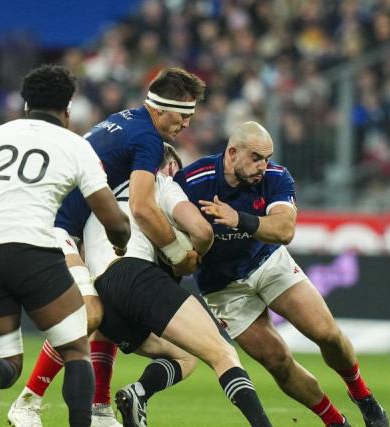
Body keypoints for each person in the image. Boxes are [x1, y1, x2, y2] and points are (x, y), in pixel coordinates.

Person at [0, 64, 131, 427]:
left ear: (23, 104)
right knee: (77, 349)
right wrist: (121, 244)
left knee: (9, 363)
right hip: (33, 250)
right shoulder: (76, 146)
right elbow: (114, 219)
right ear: (67, 110)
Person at [9, 67, 206, 427]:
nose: (187, 125)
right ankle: (28, 401)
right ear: (162, 108)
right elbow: (143, 208)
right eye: (183, 115)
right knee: (91, 313)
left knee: (103, 313)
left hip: (60, 222)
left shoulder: (123, 120)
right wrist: (179, 254)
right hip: (53, 227)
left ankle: (100, 409)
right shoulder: (147, 139)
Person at [174, 122, 388, 427]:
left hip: (267, 261)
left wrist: (238, 219)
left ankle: (363, 396)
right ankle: (334, 421)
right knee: (277, 361)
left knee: (326, 333)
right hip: (222, 287)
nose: (264, 165)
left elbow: (285, 230)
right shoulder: (193, 181)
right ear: (232, 153)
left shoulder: (276, 176)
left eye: (267, 157)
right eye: (256, 157)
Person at [79, 144, 272, 427]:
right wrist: (191, 256)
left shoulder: (101, 194)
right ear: (169, 166)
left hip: (103, 295)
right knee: (223, 353)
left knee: (184, 356)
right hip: (135, 274)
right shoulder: (162, 181)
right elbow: (202, 230)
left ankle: (137, 394)